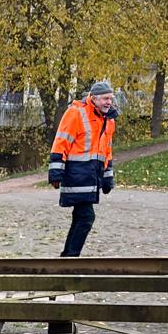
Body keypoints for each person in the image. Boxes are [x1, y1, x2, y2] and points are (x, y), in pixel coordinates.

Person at [48, 80, 117, 257]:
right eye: (105, 98)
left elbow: (107, 151)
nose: (109, 102)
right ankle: (70, 257)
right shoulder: (76, 113)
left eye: (111, 98)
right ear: (93, 98)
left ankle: (68, 258)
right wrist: (55, 172)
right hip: (77, 175)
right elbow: (61, 142)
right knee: (86, 217)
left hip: (91, 177)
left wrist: (108, 177)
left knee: (82, 217)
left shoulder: (108, 121)